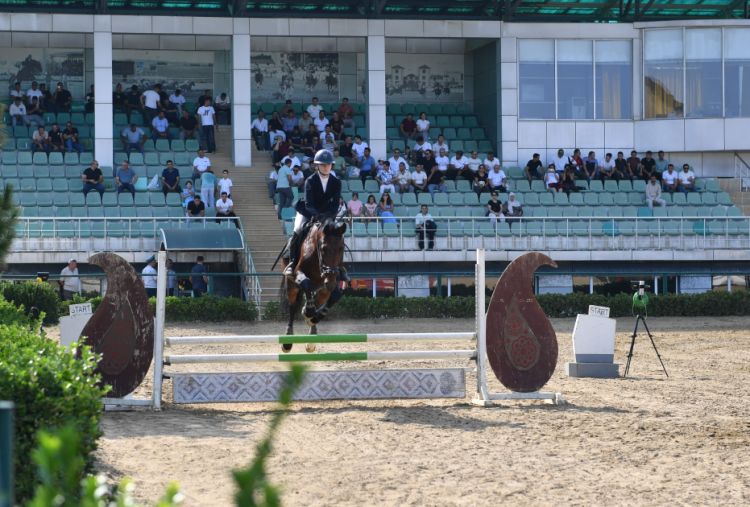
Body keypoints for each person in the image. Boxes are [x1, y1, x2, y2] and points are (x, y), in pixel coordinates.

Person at [283, 149, 343, 277]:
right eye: (323, 164)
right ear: (317, 166)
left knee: (336, 236)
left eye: (328, 164)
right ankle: (292, 262)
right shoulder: (310, 180)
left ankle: (339, 267)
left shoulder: (336, 182)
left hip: (326, 215)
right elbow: (309, 204)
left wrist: (328, 218)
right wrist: (318, 217)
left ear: (332, 165)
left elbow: (335, 204)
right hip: (308, 212)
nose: (326, 167)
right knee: (298, 229)